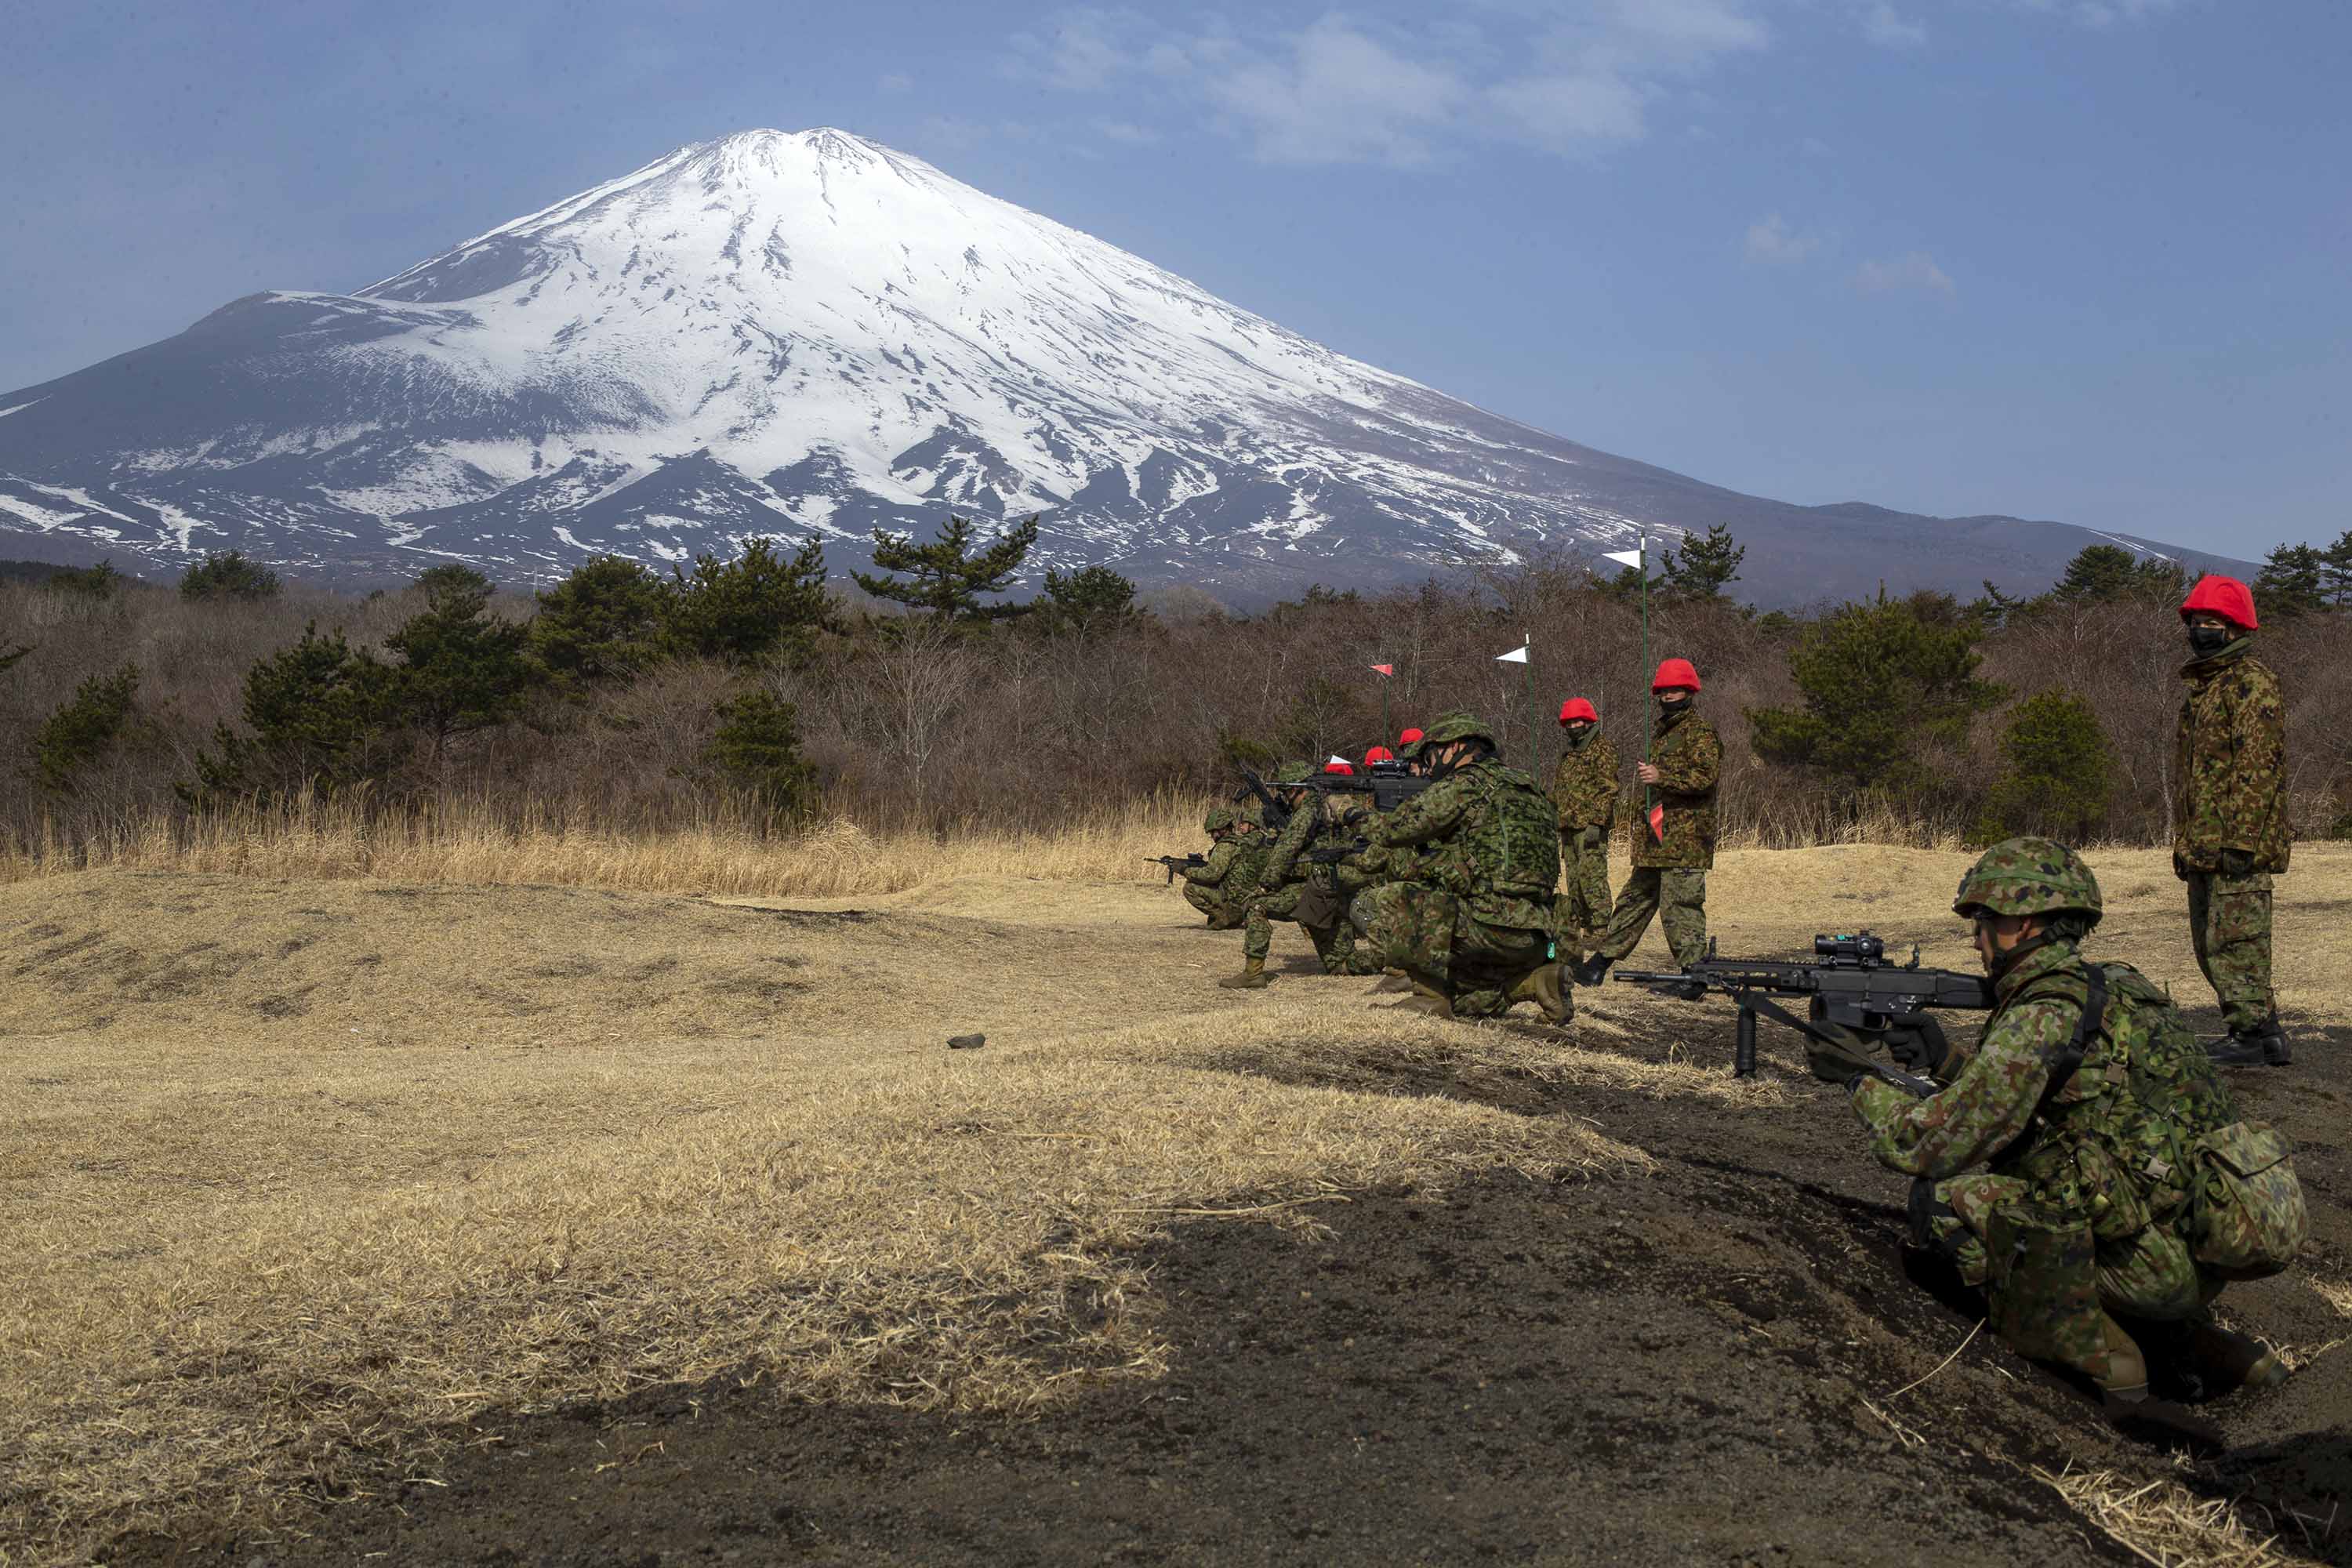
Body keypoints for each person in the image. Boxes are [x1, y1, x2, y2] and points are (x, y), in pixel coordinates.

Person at [1806, 838, 2302, 1443]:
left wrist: (1858, 1078)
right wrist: (1945, 1059)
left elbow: (1929, 1144)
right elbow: (2061, 1107)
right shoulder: (2116, 988)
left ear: (2021, 922)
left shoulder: (2041, 1012)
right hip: (2202, 1246)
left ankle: (2113, 1369)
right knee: (2058, 1203)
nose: (1976, 938)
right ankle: (2220, 1355)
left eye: (1984, 922)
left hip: (2147, 1263)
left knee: (1941, 1202)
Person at [1348, 713, 1569, 1023]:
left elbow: (1394, 831)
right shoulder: (1529, 788)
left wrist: (1350, 813)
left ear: (1454, 747)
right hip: (1541, 933)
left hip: (1489, 927)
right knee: (1466, 1002)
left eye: (1430, 754)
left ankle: (1428, 997)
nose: (1427, 764)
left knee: (1394, 897)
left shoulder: (1466, 784)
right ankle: (1538, 983)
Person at [2175, 575, 2291, 1067]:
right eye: (2197, 621)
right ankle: (2263, 1033)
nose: (2203, 630)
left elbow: (2258, 766)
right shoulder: (2205, 688)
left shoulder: (2249, 681)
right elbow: (2194, 778)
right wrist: (2186, 843)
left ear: (2236, 627)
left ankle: (2250, 1037)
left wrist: (2240, 841)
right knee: (2209, 941)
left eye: (2213, 622)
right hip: (2204, 842)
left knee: (2236, 940)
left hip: (2234, 844)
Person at [1573, 660, 1719, 987]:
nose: (1669, 696)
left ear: (1690, 692)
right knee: (1634, 900)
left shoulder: (1699, 733)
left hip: (1684, 840)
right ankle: (1599, 964)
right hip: (1657, 837)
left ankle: (1694, 976)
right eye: (1664, 691)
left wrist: (1661, 776)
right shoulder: (1663, 733)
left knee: (1679, 908)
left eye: (1676, 690)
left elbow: (1706, 777)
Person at [1220, 763, 1379, 988]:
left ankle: (1253, 974)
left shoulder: (1307, 812)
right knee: (1340, 964)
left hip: (1313, 890)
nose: (1285, 798)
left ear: (1299, 789)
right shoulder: (1325, 807)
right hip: (1330, 887)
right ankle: (1394, 958)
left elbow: (1287, 849)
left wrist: (1266, 885)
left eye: (1286, 792)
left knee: (1257, 906)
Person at [1550, 698, 1619, 961]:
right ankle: (1579, 925)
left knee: (1592, 876)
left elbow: (1608, 788)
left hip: (1589, 825)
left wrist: (1597, 823)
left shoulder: (1602, 749)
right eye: (1568, 723)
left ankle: (1599, 928)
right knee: (1575, 878)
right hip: (1568, 824)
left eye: (1577, 721)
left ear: (1588, 722)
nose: (1573, 726)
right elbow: (1560, 791)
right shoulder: (1569, 754)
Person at [1179, 807, 1267, 931]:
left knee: (1190, 888)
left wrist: (1185, 871)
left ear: (1222, 829)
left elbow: (1212, 875)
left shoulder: (1225, 846)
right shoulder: (1242, 843)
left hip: (1234, 904)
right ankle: (1229, 917)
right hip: (1249, 903)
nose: (1212, 835)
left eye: (1213, 831)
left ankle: (1226, 918)